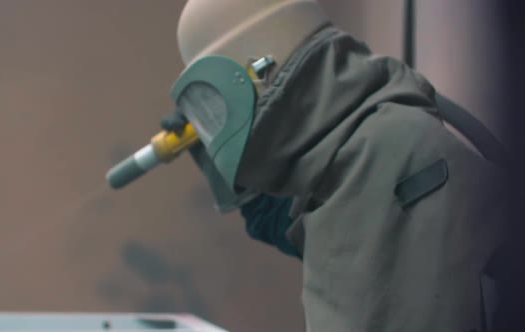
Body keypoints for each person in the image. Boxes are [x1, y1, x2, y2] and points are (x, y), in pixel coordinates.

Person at [162, 0, 507, 330]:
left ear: (256, 73)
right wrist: (237, 177)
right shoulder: (362, 141)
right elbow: (309, 227)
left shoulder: (387, 158)